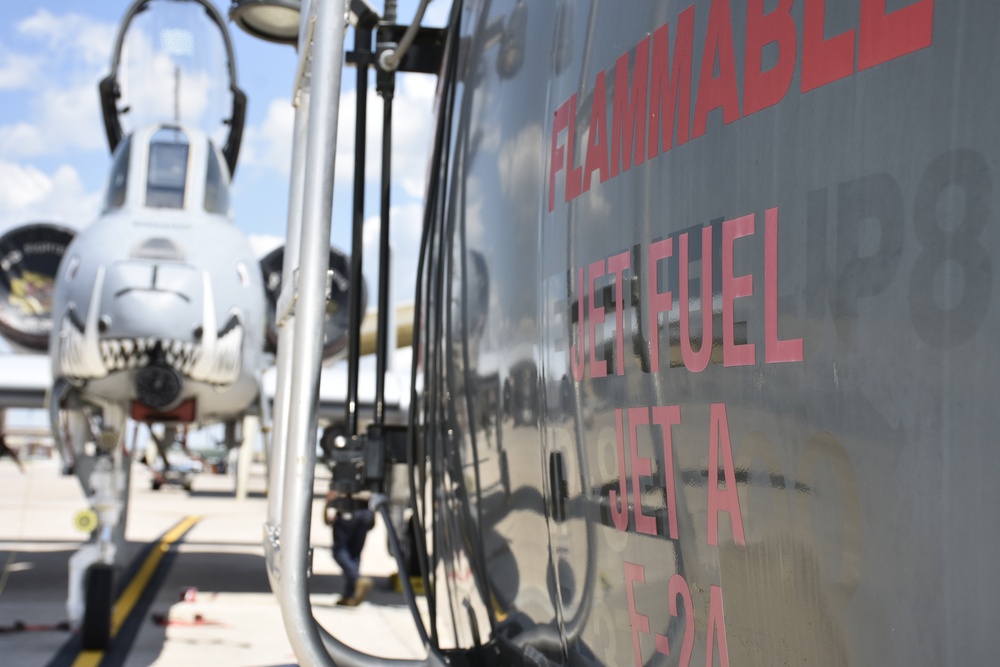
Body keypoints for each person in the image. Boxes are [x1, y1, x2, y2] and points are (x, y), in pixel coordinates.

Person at [325, 489, 374, 606]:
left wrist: (329, 504)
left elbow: (338, 486)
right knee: (354, 554)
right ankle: (350, 594)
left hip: (347, 508)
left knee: (339, 551)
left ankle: (357, 579)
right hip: (365, 510)